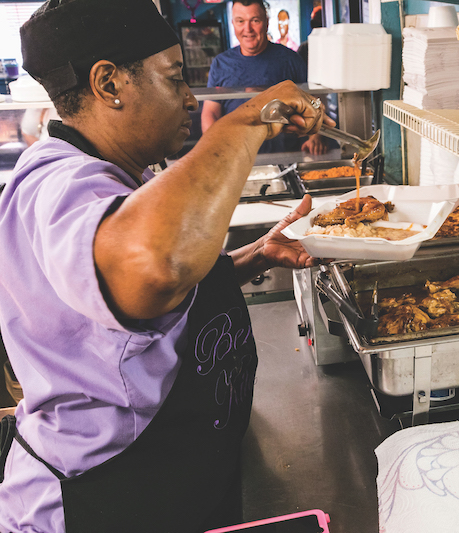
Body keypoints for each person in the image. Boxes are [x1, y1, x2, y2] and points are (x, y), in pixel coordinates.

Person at [0, 1, 334, 532]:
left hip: (163, 479)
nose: (188, 98)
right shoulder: (56, 185)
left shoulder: (111, 172)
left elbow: (121, 321)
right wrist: (247, 119)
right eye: (175, 77)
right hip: (97, 497)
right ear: (108, 83)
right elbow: (154, 269)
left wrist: (253, 257)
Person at [202, 0, 327, 155]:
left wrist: (315, 137)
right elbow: (211, 112)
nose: (247, 29)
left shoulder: (290, 59)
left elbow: (314, 101)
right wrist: (212, 144)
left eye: (255, 20)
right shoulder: (220, 63)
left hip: (286, 155)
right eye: (240, 21)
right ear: (233, 24)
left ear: (266, 23)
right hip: (235, 155)